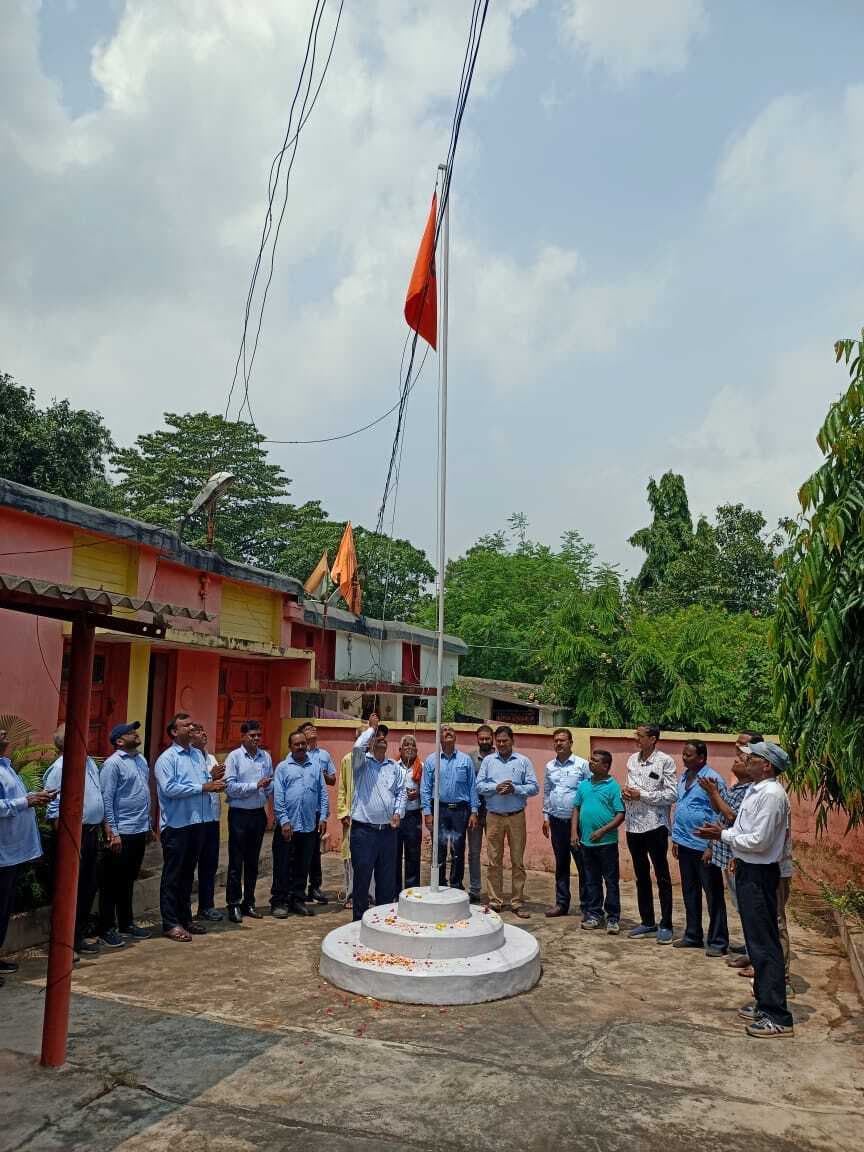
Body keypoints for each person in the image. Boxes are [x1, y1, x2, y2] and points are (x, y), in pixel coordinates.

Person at [696, 741, 794, 1038]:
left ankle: (778, 1015)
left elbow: (760, 841)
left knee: (765, 944)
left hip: (762, 872)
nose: (745, 760)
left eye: (752, 757)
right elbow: (742, 829)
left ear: (766, 765)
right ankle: (763, 1003)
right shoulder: (755, 791)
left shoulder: (773, 796)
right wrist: (730, 841)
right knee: (756, 943)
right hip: (749, 867)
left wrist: (721, 835)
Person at [154, 713, 226, 942]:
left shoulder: (197, 755)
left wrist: (212, 779)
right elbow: (170, 789)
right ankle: (170, 922)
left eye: (192, 724)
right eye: (186, 725)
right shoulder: (167, 759)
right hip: (177, 825)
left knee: (187, 875)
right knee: (173, 876)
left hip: (198, 823)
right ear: (174, 732)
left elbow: (205, 781)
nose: (192, 727)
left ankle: (185, 918)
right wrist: (203, 786)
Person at [44, 725, 109, 958]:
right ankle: (62, 943)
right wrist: (65, 842)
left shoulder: (89, 762)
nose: (87, 737)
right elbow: (53, 809)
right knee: (67, 890)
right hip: (72, 836)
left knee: (87, 887)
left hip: (91, 833)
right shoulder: (59, 768)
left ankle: (77, 936)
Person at [0, 728, 56, 986]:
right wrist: (26, 801)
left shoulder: (7, 767)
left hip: (12, 852)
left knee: (4, 910)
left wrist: (36, 798)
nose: (5, 735)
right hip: (2, 853)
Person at [697, 742, 753, 969]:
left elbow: (731, 816)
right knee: (740, 906)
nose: (736, 760)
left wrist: (713, 793)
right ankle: (751, 949)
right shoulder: (737, 787)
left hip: (737, 856)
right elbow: (721, 811)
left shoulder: (750, 791)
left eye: (741, 759)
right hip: (727, 854)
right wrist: (714, 795)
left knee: (746, 907)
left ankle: (753, 954)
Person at [671, 740, 729, 956]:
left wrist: (712, 846)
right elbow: (681, 807)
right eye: (683, 754)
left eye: (688, 755)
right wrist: (676, 839)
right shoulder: (684, 777)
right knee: (689, 891)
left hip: (704, 846)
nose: (684, 758)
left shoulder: (712, 779)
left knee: (713, 894)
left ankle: (718, 941)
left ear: (701, 758)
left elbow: (721, 814)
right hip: (685, 843)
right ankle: (693, 934)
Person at [98, 721, 153, 947]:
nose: (136, 734)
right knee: (111, 882)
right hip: (122, 831)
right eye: (131, 732)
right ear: (120, 741)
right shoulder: (113, 765)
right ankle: (106, 927)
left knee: (128, 879)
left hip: (139, 829)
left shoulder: (140, 760)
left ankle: (126, 922)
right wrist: (113, 831)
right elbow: (107, 799)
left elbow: (144, 793)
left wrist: (148, 825)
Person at [621, 724, 677, 944]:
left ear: (653, 739)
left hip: (655, 825)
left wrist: (641, 795)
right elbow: (630, 784)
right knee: (641, 874)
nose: (636, 738)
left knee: (661, 874)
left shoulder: (665, 761)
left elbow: (671, 794)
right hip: (633, 824)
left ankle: (666, 923)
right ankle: (647, 920)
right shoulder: (632, 760)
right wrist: (626, 792)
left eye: (640, 735)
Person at [475, 725, 538, 918]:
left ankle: (517, 901)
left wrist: (515, 789)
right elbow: (479, 786)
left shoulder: (523, 761)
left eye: (505, 741)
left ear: (513, 741)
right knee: (494, 861)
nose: (502, 744)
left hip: (516, 816)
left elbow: (534, 787)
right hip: (493, 816)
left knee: (517, 861)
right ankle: (495, 901)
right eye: (499, 741)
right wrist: (496, 787)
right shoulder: (488, 761)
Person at [349, 714, 405, 922]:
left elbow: (401, 793)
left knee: (387, 882)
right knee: (362, 881)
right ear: (370, 740)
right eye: (377, 735)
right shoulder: (361, 764)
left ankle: (382, 924)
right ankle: (358, 924)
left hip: (388, 833)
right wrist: (370, 730)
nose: (381, 738)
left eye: (383, 736)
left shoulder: (394, 767)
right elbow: (357, 748)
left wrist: (398, 813)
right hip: (364, 832)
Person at [270, 729, 328, 918]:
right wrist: (284, 820)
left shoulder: (315, 766)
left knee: (302, 866)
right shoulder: (283, 768)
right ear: (290, 747)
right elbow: (278, 797)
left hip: (309, 825)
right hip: (289, 826)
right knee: (283, 865)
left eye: (304, 744)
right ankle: (279, 901)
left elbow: (323, 793)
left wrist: (323, 817)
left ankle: (297, 900)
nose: (301, 747)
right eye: (297, 744)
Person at [569, 750, 625, 933]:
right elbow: (576, 809)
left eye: (595, 761)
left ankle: (613, 917)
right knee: (591, 880)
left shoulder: (612, 786)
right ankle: (594, 914)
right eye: (590, 759)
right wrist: (574, 833)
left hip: (606, 843)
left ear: (605, 766)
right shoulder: (584, 785)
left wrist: (602, 831)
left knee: (610, 881)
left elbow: (620, 815)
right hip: (586, 843)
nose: (590, 763)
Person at [223, 720, 273, 923]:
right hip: (239, 815)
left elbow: (268, 785)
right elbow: (230, 787)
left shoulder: (265, 757)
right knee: (236, 862)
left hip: (258, 814)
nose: (256, 739)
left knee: (253, 862)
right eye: (252, 735)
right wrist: (255, 785)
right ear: (243, 736)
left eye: (258, 735)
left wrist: (270, 789)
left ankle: (249, 902)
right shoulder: (234, 757)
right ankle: (233, 903)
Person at [421, 725, 479, 891]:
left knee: (458, 849)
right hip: (439, 809)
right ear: (439, 738)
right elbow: (425, 788)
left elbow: (472, 787)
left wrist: (474, 811)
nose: (448, 733)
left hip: (460, 811)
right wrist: (427, 812)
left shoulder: (465, 760)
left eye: (451, 731)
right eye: (444, 731)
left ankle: (455, 885)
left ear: (455, 737)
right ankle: (439, 883)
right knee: (438, 849)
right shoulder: (432, 760)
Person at [541, 728, 590, 918]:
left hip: (576, 823)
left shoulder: (582, 765)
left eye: (562, 740)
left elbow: (588, 792)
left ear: (571, 742)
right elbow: (547, 792)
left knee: (583, 864)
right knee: (561, 864)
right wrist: (546, 818)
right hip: (556, 821)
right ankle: (562, 904)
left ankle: (587, 906)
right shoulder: (549, 766)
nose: (558, 744)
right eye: (556, 741)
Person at [336, 726, 375, 909]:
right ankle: (351, 894)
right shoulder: (347, 760)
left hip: (371, 818)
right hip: (352, 817)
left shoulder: (375, 760)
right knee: (351, 858)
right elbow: (342, 788)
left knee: (371, 857)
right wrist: (343, 812)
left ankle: (369, 895)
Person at [190, 725, 224, 922]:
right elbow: (194, 784)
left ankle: (206, 905)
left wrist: (219, 782)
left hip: (212, 817)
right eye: (197, 731)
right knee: (190, 866)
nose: (203, 734)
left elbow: (218, 783)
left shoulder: (210, 758)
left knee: (209, 865)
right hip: (195, 819)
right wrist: (211, 778)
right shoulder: (189, 760)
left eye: (204, 730)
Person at [301, 722, 336, 904]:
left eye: (314, 728)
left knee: (315, 851)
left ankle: (314, 886)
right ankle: (297, 888)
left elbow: (333, 780)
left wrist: (324, 775)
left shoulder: (324, 755)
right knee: (299, 851)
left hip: (316, 811)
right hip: (300, 811)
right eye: (308, 729)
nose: (313, 730)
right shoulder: (298, 754)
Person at [467, 725, 494, 900]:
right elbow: (469, 786)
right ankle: (475, 889)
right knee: (474, 852)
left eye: (487, 738)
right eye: (481, 738)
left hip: (494, 813)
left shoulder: (499, 758)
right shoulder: (470, 758)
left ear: (492, 738)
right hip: (475, 813)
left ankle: (494, 892)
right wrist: (473, 811)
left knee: (494, 853)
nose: (484, 741)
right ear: (477, 738)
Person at [397, 734, 423, 889]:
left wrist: (417, 794)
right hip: (397, 817)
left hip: (413, 816)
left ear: (417, 750)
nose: (409, 748)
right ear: (400, 749)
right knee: (395, 855)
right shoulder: (393, 766)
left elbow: (426, 790)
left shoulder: (422, 767)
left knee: (413, 855)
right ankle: (394, 890)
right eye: (406, 745)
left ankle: (411, 890)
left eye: (412, 745)